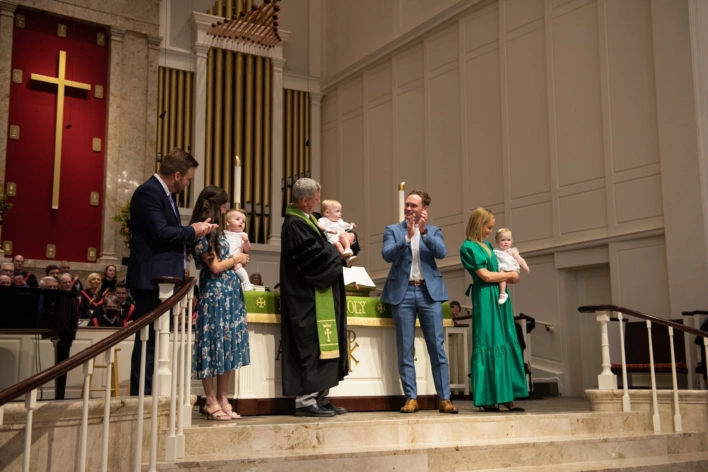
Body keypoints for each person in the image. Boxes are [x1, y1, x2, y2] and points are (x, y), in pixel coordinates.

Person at [126, 147, 217, 396]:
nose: (188, 183)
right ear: (177, 175)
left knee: (156, 339)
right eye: (188, 178)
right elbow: (160, 233)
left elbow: (169, 236)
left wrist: (197, 232)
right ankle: (142, 395)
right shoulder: (149, 192)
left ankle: (151, 392)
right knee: (148, 340)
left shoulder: (165, 195)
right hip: (151, 279)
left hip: (163, 280)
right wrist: (192, 231)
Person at [381, 190, 458, 414]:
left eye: (414, 205)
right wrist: (406, 237)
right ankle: (411, 398)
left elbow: (442, 253)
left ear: (424, 209)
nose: (409, 208)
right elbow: (386, 255)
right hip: (402, 294)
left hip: (428, 293)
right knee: (405, 348)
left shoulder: (434, 231)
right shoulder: (393, 230)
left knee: (437, 347)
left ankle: (444, 398)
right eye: (407, 204)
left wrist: (423, 234)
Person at [280, 178, 349, 417]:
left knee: (325, 345)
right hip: (305, 296)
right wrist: (337, 249)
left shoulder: (310, 220)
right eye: (316, 198)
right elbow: (312, 258)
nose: (319, 201)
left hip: (321, 292)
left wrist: (349, 241)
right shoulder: (293, 224)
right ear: (305, 200)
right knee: (310, 345)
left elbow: (324, 248)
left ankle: (319, 396)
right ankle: (305, 400)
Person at [189, 186, 251, 421]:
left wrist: (240, 256)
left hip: (231, 293)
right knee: (212, 346)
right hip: (214, 295)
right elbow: (214, 266)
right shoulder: (203, 232)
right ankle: (210, 400)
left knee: (227, 347)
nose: (226, 210)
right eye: (223, 206)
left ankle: (224, 398)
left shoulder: (221, 233)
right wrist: (236, 259)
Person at [460, 207, 528, 412]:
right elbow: (487, 276)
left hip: (499, 299)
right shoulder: (468, 247)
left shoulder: (489, 245)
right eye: (488, 227)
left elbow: (504, 270)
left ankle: (507, 396)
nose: (491, 231)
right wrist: (510, 276)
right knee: (488, 341)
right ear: (478, 224)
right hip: (485, 297)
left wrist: (511, 274)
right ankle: (488, 397)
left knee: (505, 339)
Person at [493, 228, 530, 305]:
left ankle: (502, 293)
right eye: (503, 240)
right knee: (501, 276)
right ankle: (503, 293)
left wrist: (525, 265)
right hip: (502, 268)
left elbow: (519, 259)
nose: (506, 242)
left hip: (511, 268)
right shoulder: (496, 251)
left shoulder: (512, 251)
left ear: (512, 241)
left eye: (508, 240)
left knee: (502, 275)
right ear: (497, 241)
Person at [317, 199, 357, 267]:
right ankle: (346, 258)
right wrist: (328, 230)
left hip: (341, 237)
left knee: (343, 235)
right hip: (333, 239)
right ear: (327, 213)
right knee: (337, 244)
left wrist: (351, 225)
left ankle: (348, 249)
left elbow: (347, 227)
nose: (340, 213)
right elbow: (318, 225)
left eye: (340, 211)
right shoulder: (324, 220)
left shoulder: (340, 221)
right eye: (337, 211)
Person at [223, 209, 253, 292]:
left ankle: (246, 283)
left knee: (238, 267)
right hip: (226, 257)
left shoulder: (242, 235)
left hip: (236, 257)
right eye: (237, 219)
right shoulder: (224, 233)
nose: (241, 222)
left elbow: (247, 249)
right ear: (228, 222)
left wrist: (246, 241)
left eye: (243, 221)